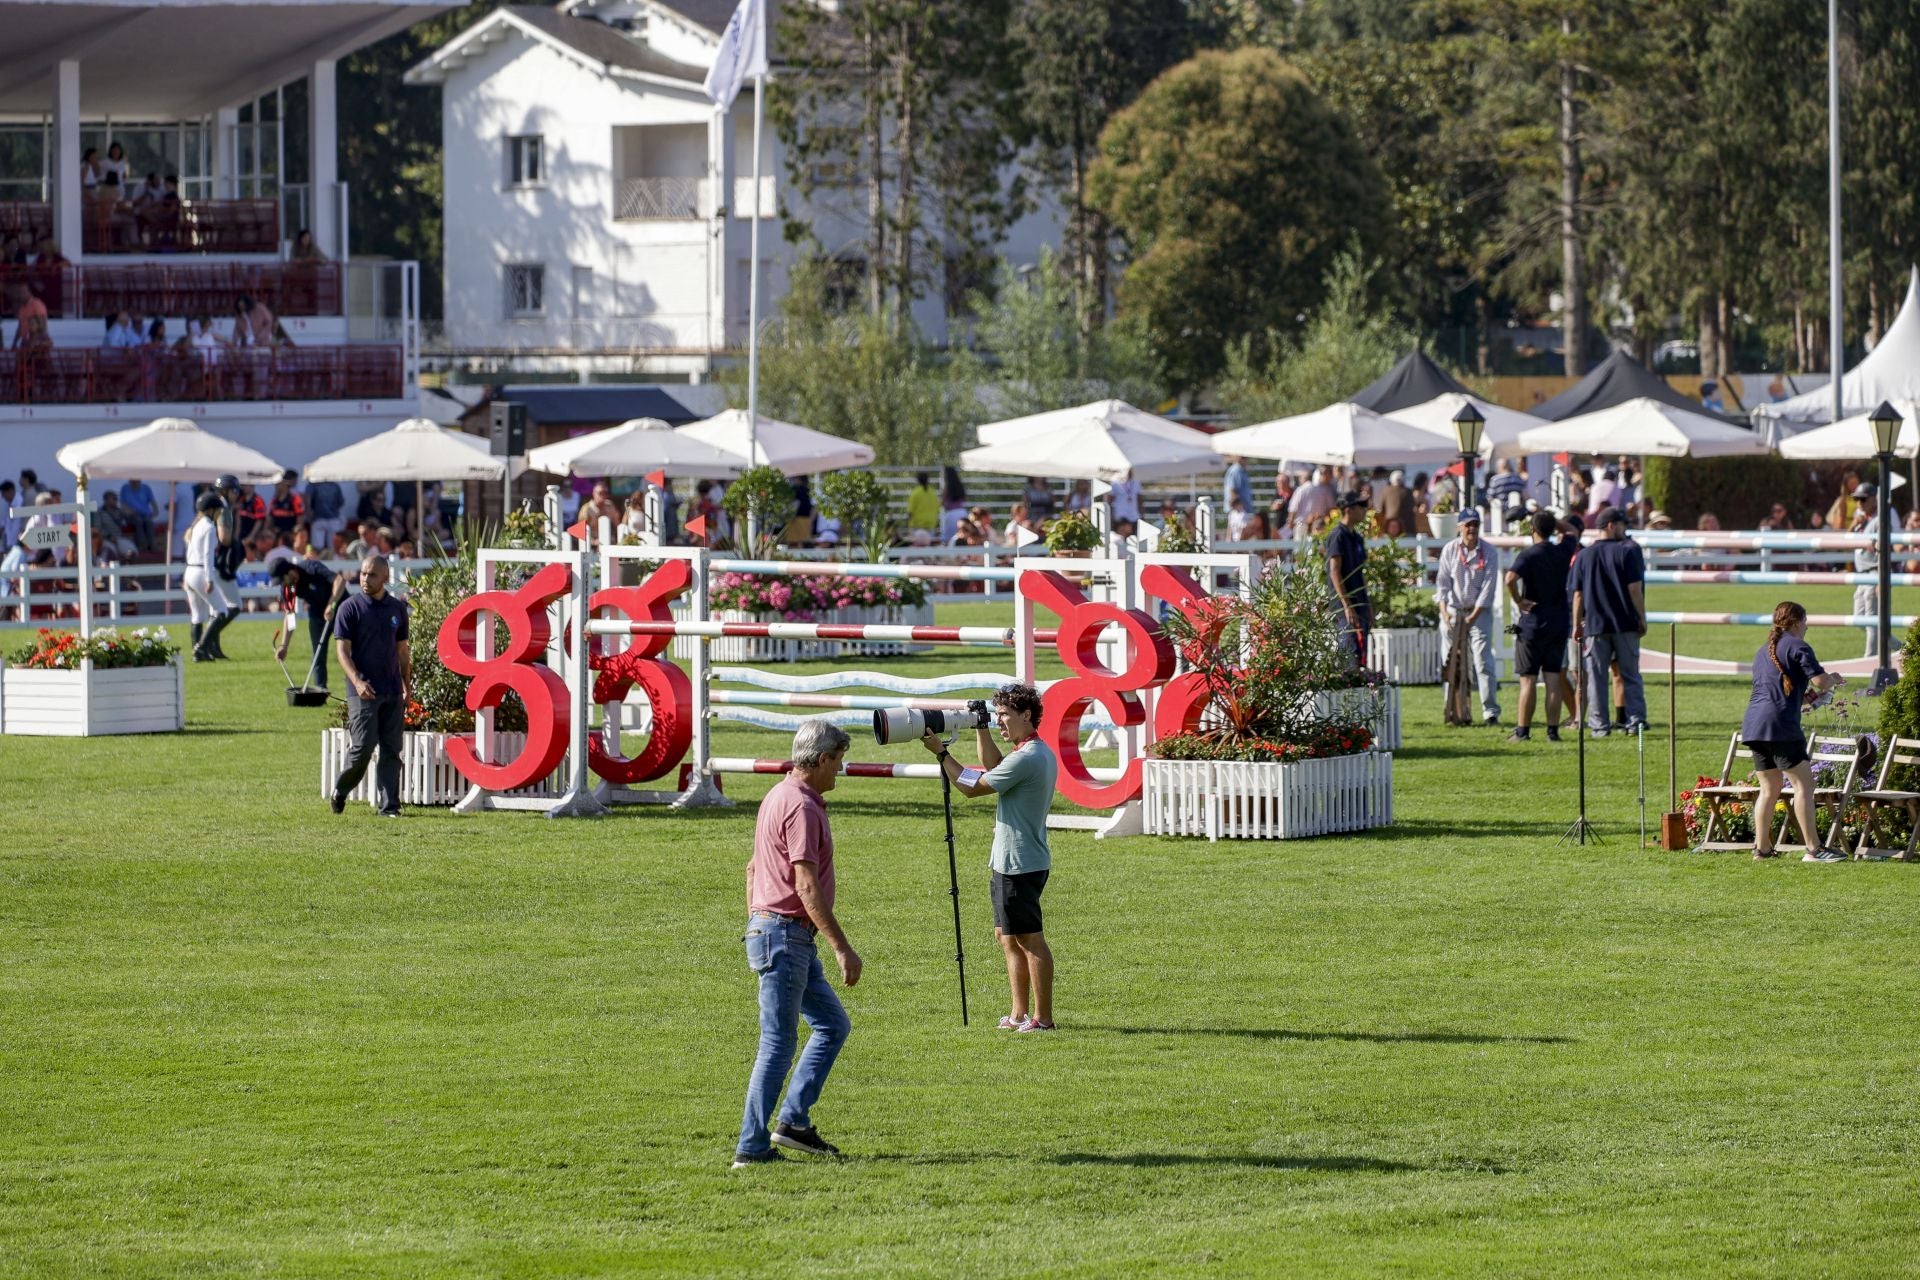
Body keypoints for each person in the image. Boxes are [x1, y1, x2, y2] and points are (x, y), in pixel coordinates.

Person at [734, 718, 858, 1167]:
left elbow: (752, 869)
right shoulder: (802, 807)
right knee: (778, 1044)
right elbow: (806, 887)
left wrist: (755, 919)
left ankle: (793, 1123)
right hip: (787, 936)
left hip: (778, 934)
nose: (839, 772)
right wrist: (842, 947)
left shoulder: (777, 795)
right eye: (838, 762)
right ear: (821, 759)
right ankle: (751, 1146)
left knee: (831, 1024)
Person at [920, 682, 1060, 1032]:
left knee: (1030, 939)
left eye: (1004, 716)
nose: (1000, 722)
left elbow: (971, 788)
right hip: (1011, 860)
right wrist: (981, 726)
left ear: (1026, 715)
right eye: (995, 716)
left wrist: (941, 754)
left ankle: (1043, 1019)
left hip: (1020, 863)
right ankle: (1018, 1015)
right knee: (1007, 937)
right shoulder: (1027, 752)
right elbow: (995, 765)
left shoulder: (1028, 758)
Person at [1743, 602, 1847, 861]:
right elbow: (1820, 680)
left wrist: (1812, 698)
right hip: (1780, 727)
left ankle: (1762, 849)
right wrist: (1833, 678)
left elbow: (1783, 692)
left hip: (1754, 726)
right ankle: (1813, 849)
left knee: (1769, 789)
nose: (1808, 626)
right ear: (1797, 622)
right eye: (1806, 620)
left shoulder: (1762, 651)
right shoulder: (1798, 645)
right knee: (1804, 784)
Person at [328, 555, 411, 818]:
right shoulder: (349, 608)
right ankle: (341, 790)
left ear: (385, 578)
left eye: (372, 575)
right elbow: (342, 651)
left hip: (392, 690)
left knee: (391, 750)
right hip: (362, 690)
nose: (365, 579)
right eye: (363, 573)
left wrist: (407, 685)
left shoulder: (397, 610)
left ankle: (389, 808)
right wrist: (357, 681)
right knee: (362, 748)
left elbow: (403, 651)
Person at [1571, 507, 1648, 735]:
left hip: (1595, 625)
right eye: (1623, 525)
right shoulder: (1627, 552)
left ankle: (1599, 726)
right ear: (1611, 526)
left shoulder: (1585, 555)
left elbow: (1578, 594)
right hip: (1624, 624)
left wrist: (1577, 624)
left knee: (1596, 679)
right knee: (1631, 675)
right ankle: (1635, 723)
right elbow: (1634, 589)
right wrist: (1642, 618)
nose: (1625, 531)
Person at [1506, 510, 1579, 742]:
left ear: (1532, 530)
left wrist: (1518, 600)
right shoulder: (1562, 551)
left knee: (1528, 680)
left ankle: (1523, 731)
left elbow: (1509, 579)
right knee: (1553, 680)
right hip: (1558, 622)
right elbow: (1572, 531)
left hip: (1532, 623)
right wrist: (1550, 519)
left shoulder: (1528, 555)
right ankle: (1552, 731)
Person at [1436, 508, 1501, 726]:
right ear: (1459, 527)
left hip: (1479, 612)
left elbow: (1489, 588)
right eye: (1467, 525)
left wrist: (1474, 616)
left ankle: (1490, 712)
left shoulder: (1489, 552)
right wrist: (1444, 612)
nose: (1471, 529)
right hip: (1453, 610)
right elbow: (1443, 583)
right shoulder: (1450, 550)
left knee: (1483, 661)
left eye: (1475, 524)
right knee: (1451, 662)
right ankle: (1452, 709)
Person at [270, 555, 348, 688]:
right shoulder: (290, 587)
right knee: (317, 654)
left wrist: (331, 604)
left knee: (348, 652)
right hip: (317, 614)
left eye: (283, 579)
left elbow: (339, 580)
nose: (283, 584)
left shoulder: (311, 568)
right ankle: (320, 691)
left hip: (341, 609)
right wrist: (284, 646)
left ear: (290, 571)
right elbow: (290, 616)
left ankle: (358, 688)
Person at [183, 492, 237, 662]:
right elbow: (208, 555)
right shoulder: (209, 527)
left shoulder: (196, 526)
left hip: (190, 571)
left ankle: (198, 651)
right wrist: (209, 579)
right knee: (221, 611)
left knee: (197, 615)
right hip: (201, 572)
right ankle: (201, 648)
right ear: (212, 510)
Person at [1326, 491, 1371, 665]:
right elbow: (1334, 571)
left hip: (1360, 606)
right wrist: (1347, 606)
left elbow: (1359, 573)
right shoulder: (1338, 536)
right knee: (1348, 660)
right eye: (1362, 506)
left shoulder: (1357, 538)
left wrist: (1367, 605)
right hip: (1345, 609)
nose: (1365, 510)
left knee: (1361, 658)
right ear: (1349, 510)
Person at [1851, 483, 1880, 658]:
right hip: (1861, 575)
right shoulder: (1860, 518)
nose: (1859, 503)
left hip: (1874, 572)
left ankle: (1869, 660)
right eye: (1856, 499)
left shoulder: (1880, 519)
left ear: (1873, 498)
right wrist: (1855, 523)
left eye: (1863, 499)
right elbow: (1845, 541)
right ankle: (1899, 647)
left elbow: (1885, 549)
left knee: (1870, 621)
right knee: (1859, 619)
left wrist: (1881, 579)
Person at [1290, 466, 1335, 541]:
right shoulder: (1325, 490)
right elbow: (1331, 508)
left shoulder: (1300, 490)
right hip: (1318, 524)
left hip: (1301, 524)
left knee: (1299, 549)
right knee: (1315, 549)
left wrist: (1291, 522)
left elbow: (1293, 508)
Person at [1373, 469, 1416, 540]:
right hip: (1407, 529)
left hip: (1389, 528)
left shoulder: (1386, 491)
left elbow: (1381, 509)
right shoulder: (1408, 491)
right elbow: (1412, 507)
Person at [905, 471, 940, 535]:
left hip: (916, 528)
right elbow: (937, 509)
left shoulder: (915, 493)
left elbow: (910, 512)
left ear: (918, 481)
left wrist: (907, 526)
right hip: (930, 527)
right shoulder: (933, 493)